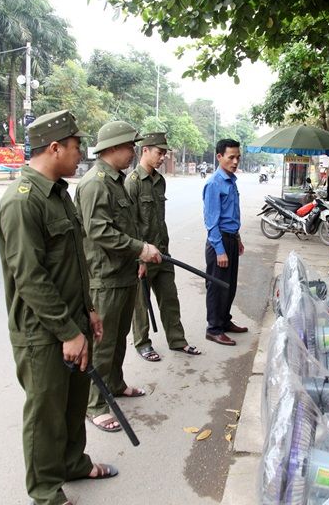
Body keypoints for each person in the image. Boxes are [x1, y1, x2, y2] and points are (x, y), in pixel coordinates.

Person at [0, 110, 117, 505]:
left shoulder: (60, 193)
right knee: (45, 412)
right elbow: (30, 278)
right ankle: (46, 492)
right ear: (54, 147)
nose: (80, 153)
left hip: (74, 322)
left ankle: (73, 463)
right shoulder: (21, 202)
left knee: (73, 401)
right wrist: (67, 332)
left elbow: (74, 263)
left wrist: (89, 311)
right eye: (76, 145)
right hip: (43, 333)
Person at [74, 120, 162, 432]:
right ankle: (95, 405)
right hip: (105, 278)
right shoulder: (95, 183)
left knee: (119, 339)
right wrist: (140, 249)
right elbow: (99, 232)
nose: (133, 152)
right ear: (112, 148)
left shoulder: (115, 181)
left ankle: (115, 384)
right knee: (103, 344)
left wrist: (137, 256)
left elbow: (126, 225)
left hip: (123, 273)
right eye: (129, 146)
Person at [126, 132, 201, 361]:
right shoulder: (132, 183)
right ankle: (143, 344)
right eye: (159, 152)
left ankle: (177, 340)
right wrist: (139, 259)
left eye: (164, 153)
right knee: (141, 305)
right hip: (143, 256)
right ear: (145, 150)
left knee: (170, 298)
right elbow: (130, 225)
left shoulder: (160, 181)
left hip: (163, 252)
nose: (162, 157)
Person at [203, 138, 248, 346]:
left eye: (238, 157)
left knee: (229, 286)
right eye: (231, 157)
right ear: (219, 157)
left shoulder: (231, 180)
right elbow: (211, 222)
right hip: (218, 242)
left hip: (230, 239)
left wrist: (237, 239)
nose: (236, 161)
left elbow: (231, 216)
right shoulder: (214, 183)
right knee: (217, 286)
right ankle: (213, 328)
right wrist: (220, 250)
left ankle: (225, 320)